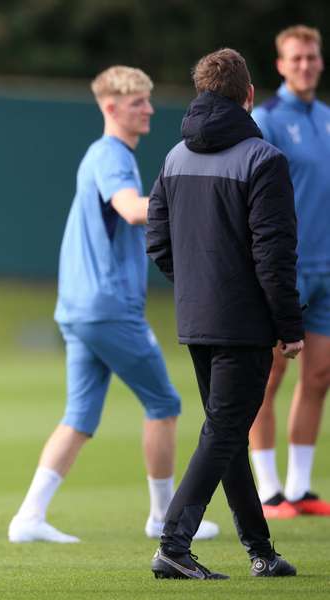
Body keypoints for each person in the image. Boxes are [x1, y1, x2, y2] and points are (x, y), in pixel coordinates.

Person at [7, 66, 218, 545]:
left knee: (79, 417)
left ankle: (28, 517)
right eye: (138, 101)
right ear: (110, 107)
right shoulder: (111, 155)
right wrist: (190, 196)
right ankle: (164, 518)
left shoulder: (103, 155)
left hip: (81, 308)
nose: (148, 108)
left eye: (147, 100)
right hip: (106, 307)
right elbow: (130, 208)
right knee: (164, 403)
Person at [147, 48, 302, 579]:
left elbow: (158, 241)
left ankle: (260, 551)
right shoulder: (265, 159)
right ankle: (173, 543)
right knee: (225, 430)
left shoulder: (173, 157)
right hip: (244, 323)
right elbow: (274, 257)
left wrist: (197, 287)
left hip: (196, 318)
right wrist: (290, 327)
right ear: (248, 95)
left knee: (226, 429)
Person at [249, 25, 330, 519]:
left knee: (319, 375)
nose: (304, 65)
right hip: (286, 268)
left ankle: (300, 488)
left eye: (311, 57)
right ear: (280, 65)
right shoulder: (268, 118)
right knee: (270, 374)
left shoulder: (326, 118)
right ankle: (269, 489)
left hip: (327, 269)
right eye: (295, 58)